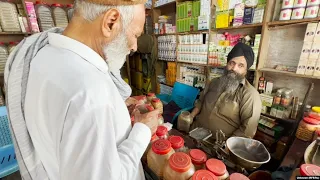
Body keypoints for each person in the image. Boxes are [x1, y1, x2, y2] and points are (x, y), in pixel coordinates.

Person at [5, 0, 159, 180]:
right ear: (111, 22)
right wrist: (142, 131)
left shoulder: (41, 54)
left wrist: (114, 113)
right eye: (135, 34)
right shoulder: (90, 93)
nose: (134, 47)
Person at [190, 42, 262, 139]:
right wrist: (190, 116)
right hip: (195, 133)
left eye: (240, 66)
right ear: (227, 64)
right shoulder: (214, 82)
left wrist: (226, 148)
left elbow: (247, 130)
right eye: (232, 63)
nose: (234, 69)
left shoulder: (250, 95)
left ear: (246, 70)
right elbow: (200, 102)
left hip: (218, 146)